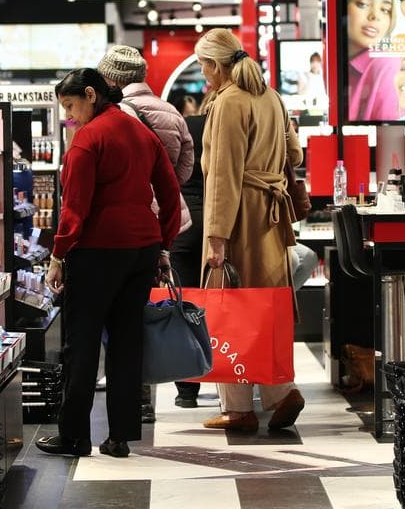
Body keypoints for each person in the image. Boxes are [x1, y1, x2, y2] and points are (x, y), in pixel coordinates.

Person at [37, 69, 182, 459]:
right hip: (142, 250)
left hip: (97, 251)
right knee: (126, 341)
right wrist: (164, 245)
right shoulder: (143, 134)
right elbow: (170, 192)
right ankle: (120, 436)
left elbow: (75, 206)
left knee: (81, 344)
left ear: (90, 94)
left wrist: (58, 255)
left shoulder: (88, 140)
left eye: (70, 106)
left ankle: (74, 436)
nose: (69, 116)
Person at [194, 28, 305, 433]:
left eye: (203, 65)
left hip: (239, 218)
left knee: (229, 306)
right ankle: (280, 391)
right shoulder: (271, 96)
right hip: (271, 219)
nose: (203, 73)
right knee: (265, 306)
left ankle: (239, 408)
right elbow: (295, 153)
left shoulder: (228, 102)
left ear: (216, 64)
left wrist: (216, 238)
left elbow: (223, 176)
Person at [97, 44, 194, 423]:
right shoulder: (171, 111)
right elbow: (184, 168)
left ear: (111, 80)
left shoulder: (113, 115)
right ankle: (180, 380)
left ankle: (135, 397)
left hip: (128, 225)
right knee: (158, 306)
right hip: (166, 224)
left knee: (123, 313)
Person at [169, 107, 207, 408]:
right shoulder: (222, 128)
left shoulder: (181, 127)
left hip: (183, 224)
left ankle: (187, 390)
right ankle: (232, 371)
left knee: (186, 303)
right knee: (226, 298)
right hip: (218, 220)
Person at [345, 0, 405, 122]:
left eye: (385, 10)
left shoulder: (387, 63)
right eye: (363, 4)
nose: (375, 16)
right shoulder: (335, 63)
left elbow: (387, 130)